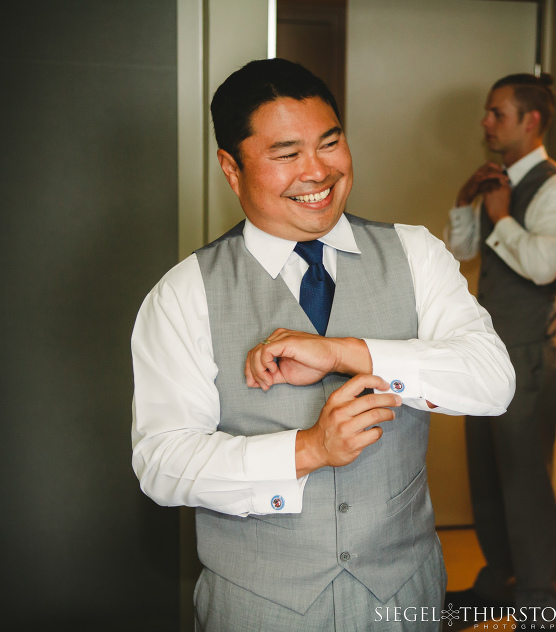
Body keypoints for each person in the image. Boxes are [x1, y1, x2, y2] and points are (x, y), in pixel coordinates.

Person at [131, 59, 515, 632]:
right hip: (257, 609)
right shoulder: (184, 293)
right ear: (231, 169)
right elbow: (161, 462)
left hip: (404, 596)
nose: (318, 172)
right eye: (287, 154)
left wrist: (343, 352)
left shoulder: (416, 253)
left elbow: (492, 381)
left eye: (330, 143)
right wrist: (308, 449)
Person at [443, 73, 556, 622]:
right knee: (486, 480)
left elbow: (545, 265)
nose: (485, 122)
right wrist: (466, 201)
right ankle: (497, 583)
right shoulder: (493, 181)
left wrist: (501, 215)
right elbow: (462, 250)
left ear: (532, 120)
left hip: (528, 355)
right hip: (485, 355)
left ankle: (540, 603)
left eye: (496, 113)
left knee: (525, 486)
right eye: (486, 112)